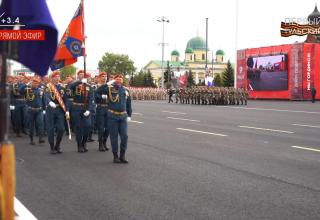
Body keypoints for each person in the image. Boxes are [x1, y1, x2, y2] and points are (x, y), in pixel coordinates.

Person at [106, 74, 132, 163]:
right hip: (113, 116)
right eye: (117, 79)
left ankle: (122, 155)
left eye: (120, 79)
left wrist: (129, 115)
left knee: (125, 136)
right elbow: (98, 91)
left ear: (122, 80)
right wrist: (107, 84)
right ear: (114, 80)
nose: (119, 80)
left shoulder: (126, 90)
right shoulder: (109, 88)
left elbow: (129, 104)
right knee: (114, 137)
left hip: (123, 116)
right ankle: (115, 156)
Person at [67, 70, 94, 153]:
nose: (82, 76)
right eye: (80, 75)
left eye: (83, 75)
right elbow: (69, 87)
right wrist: (79, 82)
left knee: (88, 126)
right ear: (78, 76)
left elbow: (91, 99)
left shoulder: (89, 86)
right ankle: (79, 145)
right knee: (78, 128)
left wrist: (89, 110)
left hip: (85, 109)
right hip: (76, 108)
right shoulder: (75, 85)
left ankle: (84, 142)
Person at [44, 72, 69, 154]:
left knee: (61, 129)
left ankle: (57, 145)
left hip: (59, 110)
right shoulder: (48, 86)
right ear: (52, 78)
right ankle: (52, 147)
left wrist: (67, 110)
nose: (58, 78)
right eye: (56, 76)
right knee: (50, 129)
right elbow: (46, 96)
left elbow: (66, 100)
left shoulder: (62, 87)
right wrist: (49, 102)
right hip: (51, 110)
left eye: (59, 76)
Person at [19, 76, 45, 145]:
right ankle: (31, 139)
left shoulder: (40, 90)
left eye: (37, 83)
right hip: (30, 110)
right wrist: (27, 83)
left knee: (40, 123)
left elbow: (43, 100)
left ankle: (40, 138)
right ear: (32, 83)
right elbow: (20, 90)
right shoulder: (27, 89)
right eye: (34, 82)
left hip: (39, 110)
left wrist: (44, 108)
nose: (35, 84)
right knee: (31, 126)